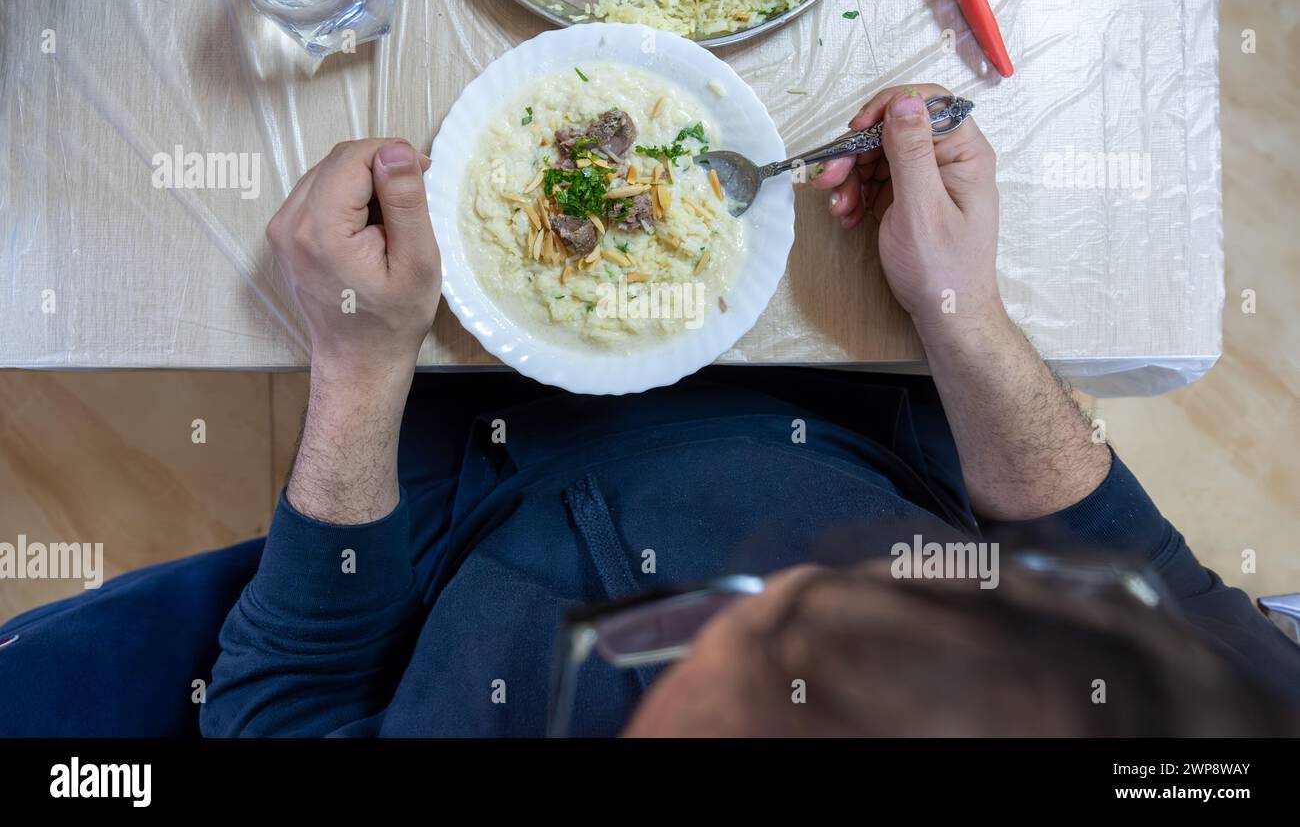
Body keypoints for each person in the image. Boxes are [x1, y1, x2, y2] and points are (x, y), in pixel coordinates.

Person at [2, 86, 1296, 738]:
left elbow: (276, 708)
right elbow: (1119, 557)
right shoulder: (1207, 720)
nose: (723, 599)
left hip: (462, 487)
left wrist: (356, 375)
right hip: (857, 408)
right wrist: (961, 310)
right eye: (829, 594)